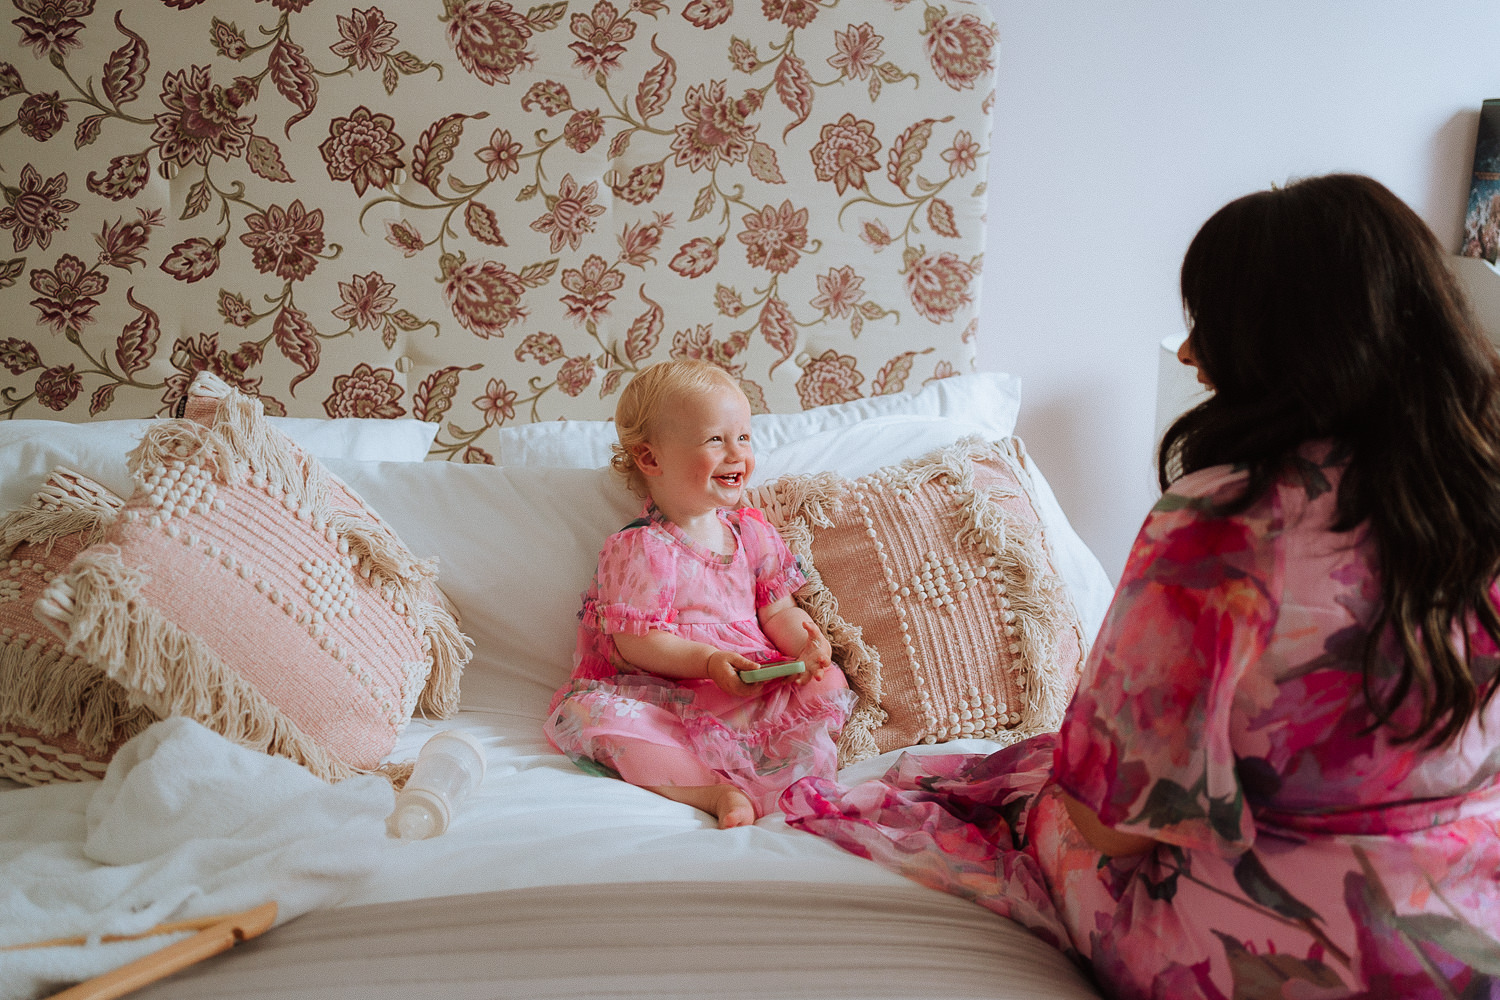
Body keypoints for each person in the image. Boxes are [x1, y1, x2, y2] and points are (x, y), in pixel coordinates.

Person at [780, 174, 1500, 998]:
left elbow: (1113, 830)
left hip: (1284, 956)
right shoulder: (1481, 496)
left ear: (1285, 343)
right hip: (1471, 938)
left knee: (1040, 801)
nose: (1191, 354)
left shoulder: (1224, 524)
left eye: (1212, 326)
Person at [544, 359, 852, 829]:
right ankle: (710, 789)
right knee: (593, 716)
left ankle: (773, 771)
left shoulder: (751, 533)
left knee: (827, 681)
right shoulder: (642, 548)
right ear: (650, 459)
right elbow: (637, 643)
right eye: (715, 439)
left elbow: (778, 610)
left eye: (744, 437)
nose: (736, 452)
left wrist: (804, 647)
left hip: (749, 687)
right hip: (665, 697)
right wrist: (709, 662)